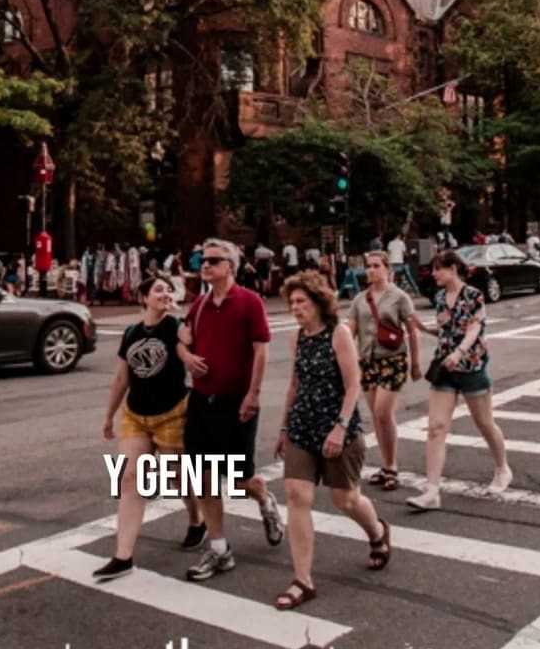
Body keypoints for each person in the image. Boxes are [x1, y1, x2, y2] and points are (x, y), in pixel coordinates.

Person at [274, 271, 391, 610]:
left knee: (346, 499)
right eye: (292, 302)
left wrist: (340, 428)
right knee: (297, 496)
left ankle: (377, 533)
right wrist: (283, 428)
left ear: (318, 302)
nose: (296, 308)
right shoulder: (296, 338)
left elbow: (353, 384)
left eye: (302, 302)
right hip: (302, 427)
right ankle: (302, 580)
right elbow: (295, 385)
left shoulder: (338, 333)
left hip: (336, 427)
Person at [180, 239, 284, 581]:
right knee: (204, 476)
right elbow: (181, 338)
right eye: (202, 260)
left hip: (236, 401)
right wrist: (187, 358)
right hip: (201, 401)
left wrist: (253, 394)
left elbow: (261, 351)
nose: (205, 265)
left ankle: (265, 500)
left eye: (213, 260)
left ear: (231, 267)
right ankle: (220, 549)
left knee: (239, 478)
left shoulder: (250, 302)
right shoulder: (200, 304)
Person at [94, 275, 204, 582]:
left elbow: (189, 345)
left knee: (178, 480)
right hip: (136, 415)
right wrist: (109, 415)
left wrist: (183, 324)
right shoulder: (130, 333)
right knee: (130, 479)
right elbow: (121, 378)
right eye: (158, 289)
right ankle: (122, 557)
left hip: (172, 413)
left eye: (168, 290)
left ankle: (197, 520)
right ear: (143, 297)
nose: (164, 293)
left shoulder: (175, 326)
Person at [406, 250, 512, 511]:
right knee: (436, 427)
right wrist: (422, 329)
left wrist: (460, 352)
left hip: (472, 367)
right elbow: (446, 330)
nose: (433, 274)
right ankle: (432, 490)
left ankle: (502, 468)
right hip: (445, 369)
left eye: (438, 269)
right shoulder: (441, 297)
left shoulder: (474, 295)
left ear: (452, 269)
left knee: (485, 423)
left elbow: (474, 329)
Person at [347, 251, 422, 491]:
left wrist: (416, 363)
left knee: (383, 413)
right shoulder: (360, 299)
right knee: (376, 417)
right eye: (368, 266)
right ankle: (386, 465)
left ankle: (392, 466)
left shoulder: (399, 297)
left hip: (393, 359)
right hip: (367, 361)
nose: (371, 270)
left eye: (376, 266)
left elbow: (412, 330)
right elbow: (351, 329)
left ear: (387, 269)